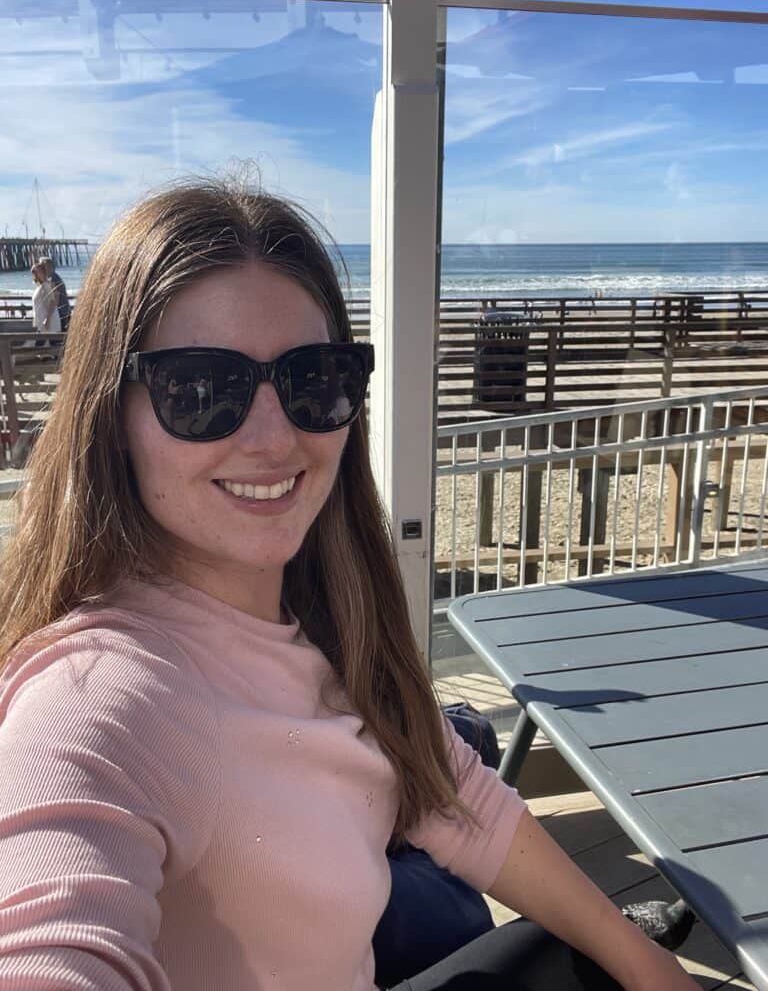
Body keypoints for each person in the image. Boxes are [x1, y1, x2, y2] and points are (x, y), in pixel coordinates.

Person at [0, 177, 701, 991]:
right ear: (109, 418)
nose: (274, 438)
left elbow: (458, 794)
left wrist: (649, 966)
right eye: (199, 390)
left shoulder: (323, 624)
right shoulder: (99, 697)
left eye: (312, 379)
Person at [37, 255, 71, 331]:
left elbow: (55, 300)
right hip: (63, 312)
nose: (40, 269)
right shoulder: (54, 277)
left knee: (58, 338)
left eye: (42, 267)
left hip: (61, 313)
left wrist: (48, 317)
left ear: (48, 267)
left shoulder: (53, 280)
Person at [29, 260, 60, 338]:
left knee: (46, 345)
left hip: (48, 323)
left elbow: (53, 302)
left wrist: (47, 319)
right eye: (34, 273)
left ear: (43, 272)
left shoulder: (47, 285)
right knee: (44, 345)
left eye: (38, 272)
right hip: (42, 323)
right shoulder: (41, 286)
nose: (36, 275)